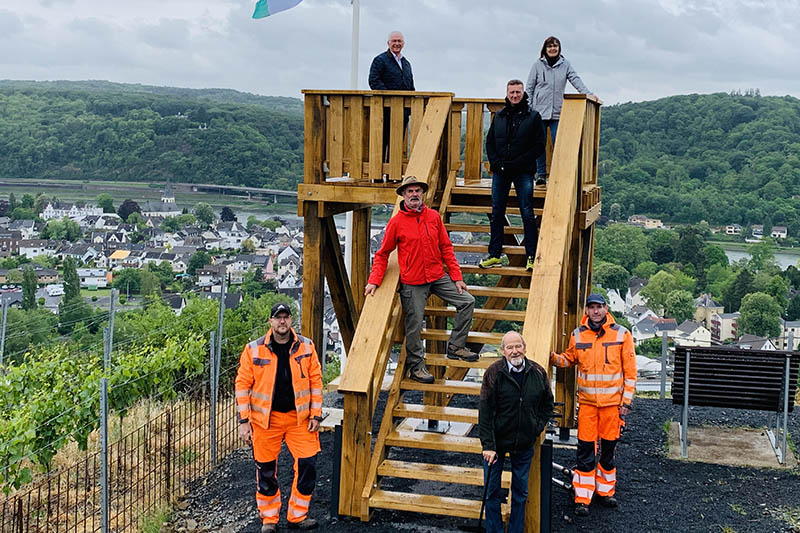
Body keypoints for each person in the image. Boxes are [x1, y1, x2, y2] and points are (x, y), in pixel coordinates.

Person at [365, 175, 477, 384]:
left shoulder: (433, 217)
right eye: (410, 191)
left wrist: (457, 277)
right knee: (414, 325)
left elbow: (446, 247)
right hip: (413, 281)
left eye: (417, 191)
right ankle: (416, 367)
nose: (415, 194)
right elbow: (382, 254)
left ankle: (455, 346)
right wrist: (374, 281)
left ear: (422, 194)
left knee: (467, 301)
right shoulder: (396, 222)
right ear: (404, 196)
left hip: (436, 275)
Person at [235, 303, 323, 532]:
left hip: (300, 419)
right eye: (278, 317)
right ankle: (269, 519)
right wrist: (244, 421)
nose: (282, 321)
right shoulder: (253, 350)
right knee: (265, 471)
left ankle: (297, 515)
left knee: (308, 465)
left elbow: (316, 381)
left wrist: (316, 414)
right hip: (266, 422)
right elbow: (242, 385)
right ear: (270, 321)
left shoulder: (307, 346)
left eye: (286, 317)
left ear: (291, 320)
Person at [550, 293, 636, 517]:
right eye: (591, 307)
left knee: (608, 452)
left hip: (612, 407)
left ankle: (606, 492)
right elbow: (569, 359)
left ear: (606, 309)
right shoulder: (578, 335)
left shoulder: (622, 334)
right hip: (588, 406)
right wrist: (552, 358)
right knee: (585, 452)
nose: (596, 311)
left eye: (599, 307)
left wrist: (626, 402)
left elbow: (631, 373)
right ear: (586, 311)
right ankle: (582, 497)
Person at [479, 331, 554, 533]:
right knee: (492, 492)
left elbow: (547, 404)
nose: (515, 351)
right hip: (496, 444)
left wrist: (535, 428)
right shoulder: (494, 373)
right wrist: (488, 446)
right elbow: (485, 411)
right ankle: (494, 530)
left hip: (524, 444)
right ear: (503, 351)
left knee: (520, 493)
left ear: (525, 347)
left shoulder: (537, 372)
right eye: (510, 347)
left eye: (518, 346)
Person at [480, 79, 546, 272]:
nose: (515, 95)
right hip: (501, 171)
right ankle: (494, 255)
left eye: (518, 92)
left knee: (527, 212)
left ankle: (531, 256)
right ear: (507, 94)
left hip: (523, 171)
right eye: (512, 92)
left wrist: (521, 162)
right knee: (497, 212)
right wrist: (496, 163)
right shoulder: (499, 116)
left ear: (523, 93)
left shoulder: (533, 116)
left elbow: (539, 145)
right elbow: (490, 142)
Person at [525, 36, 592, 185]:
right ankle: (541, 174)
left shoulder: (565, 65)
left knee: (559, 143)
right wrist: (527, 106)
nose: (552, 48)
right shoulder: (537, 65)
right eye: (549, 46)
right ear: (545, 49)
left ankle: (558, 174)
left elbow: (575, 79)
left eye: (555, 46)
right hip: (539, 111)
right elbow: (529, 87)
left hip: (557, 111)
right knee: (539, 144)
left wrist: (588, 93)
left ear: (559, 48)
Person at [369, 31, 415, 166]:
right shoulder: (380, 60)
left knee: (396, 143)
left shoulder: (406, 63)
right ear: (388, 43)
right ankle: (377, 176)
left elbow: (410, 85)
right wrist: (390, 97)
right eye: (394, 41)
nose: (396, 44)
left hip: (403, 112)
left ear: (403, 44)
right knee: (382, 142)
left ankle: (392, 175)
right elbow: (374, 81)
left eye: (399, 41)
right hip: (385, 110)